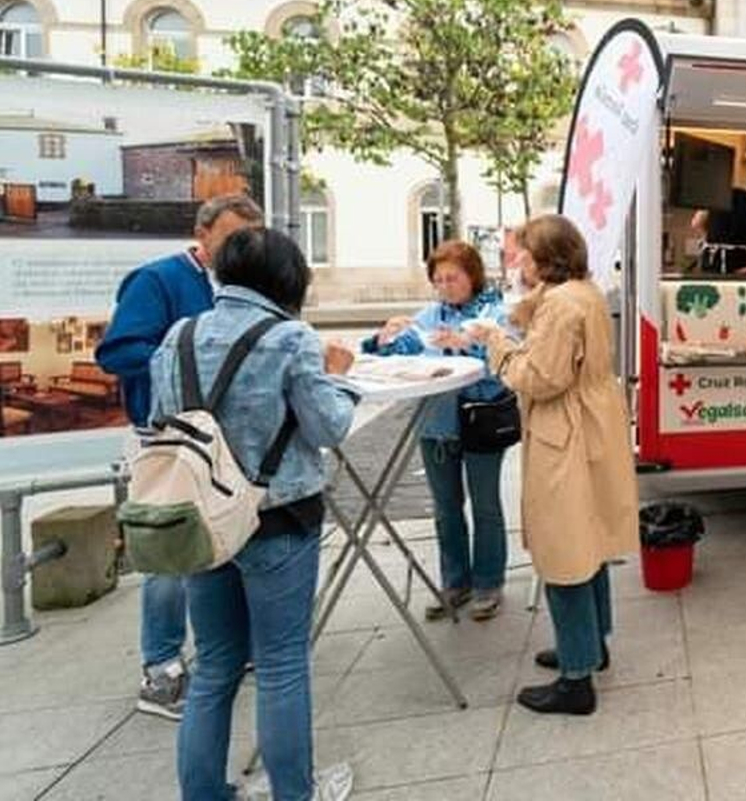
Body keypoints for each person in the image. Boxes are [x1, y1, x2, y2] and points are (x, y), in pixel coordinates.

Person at [148, 227, 358, 801]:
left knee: (214, 665)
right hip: (278, 518)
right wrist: (338, 374)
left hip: (202, 521)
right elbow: (329, 427)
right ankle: (296, 792)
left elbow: (163, 422)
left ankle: (202, 792)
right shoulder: (290, 338)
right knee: (282, 664)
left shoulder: (178, 335)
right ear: (289, 280)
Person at [95, 193, 264, 721]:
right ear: (203, 234)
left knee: (230, 535)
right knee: (169, 554)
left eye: (249, 241)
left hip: (224, 439)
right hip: (167, 440)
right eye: (233, 238)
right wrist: (188, 358)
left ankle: (231, 646)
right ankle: (162, 667)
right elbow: (117, 351)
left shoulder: (244, 288)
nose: (242, 249)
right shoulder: (159, 280)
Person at [466, 215, 639, 714]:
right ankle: (590, 645)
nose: (515, 260)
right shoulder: (582, 292)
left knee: (565, 549)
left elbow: (540, 376)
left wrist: (494, 344)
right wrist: (518, 316)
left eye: (521, 253)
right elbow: (548, 326)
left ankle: (576, 678)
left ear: (544, 259)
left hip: (563, 430)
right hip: (589, 425)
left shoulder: (562, 305)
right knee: (589, 542)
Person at [362, 239, 512, 621]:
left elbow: (505, 360)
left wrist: (467, 344)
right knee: (445, 508)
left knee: (486, 506)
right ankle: (455, 582)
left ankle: (489, 583)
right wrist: (385, 338)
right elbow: (402, 348)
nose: (445, 286)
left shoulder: (495, 312)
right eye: (438, 279)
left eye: (453, 278)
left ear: (472, 276)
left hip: (480, 420)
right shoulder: (430, 314)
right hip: (436, 426)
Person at [691, 172, 746, 274]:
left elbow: (696, 223)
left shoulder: (722, 195)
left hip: (710, 259)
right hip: (737, 262)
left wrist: (712, 237)